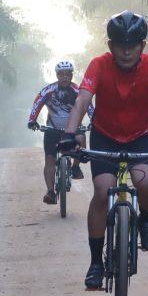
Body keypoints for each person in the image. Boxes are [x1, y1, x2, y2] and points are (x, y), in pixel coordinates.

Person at [59, 10, 148, 290]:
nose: (127, 51)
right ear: (111, 46)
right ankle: (96, 262)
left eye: (133, 45)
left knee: (145, 180)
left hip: (140, 135)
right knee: (101, 189)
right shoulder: (99, 65)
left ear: (143, 46)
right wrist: (70, 134)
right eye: (121, 45)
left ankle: (145, 219)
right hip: (105, 136)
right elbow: (82, 101)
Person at [27, 60, 91, 204]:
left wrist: (94, 121)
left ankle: (75, 167)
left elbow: (89, 106)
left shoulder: (78, 90)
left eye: (67, 74)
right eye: (61, 74)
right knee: (50, 160)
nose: (64, 77)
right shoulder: (48, 91)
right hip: (52, 130)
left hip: (73, 130)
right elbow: (37, 103)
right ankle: (50, 191)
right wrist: (32, 120)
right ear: (57, 75)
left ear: (71, 75)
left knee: (81, 139)